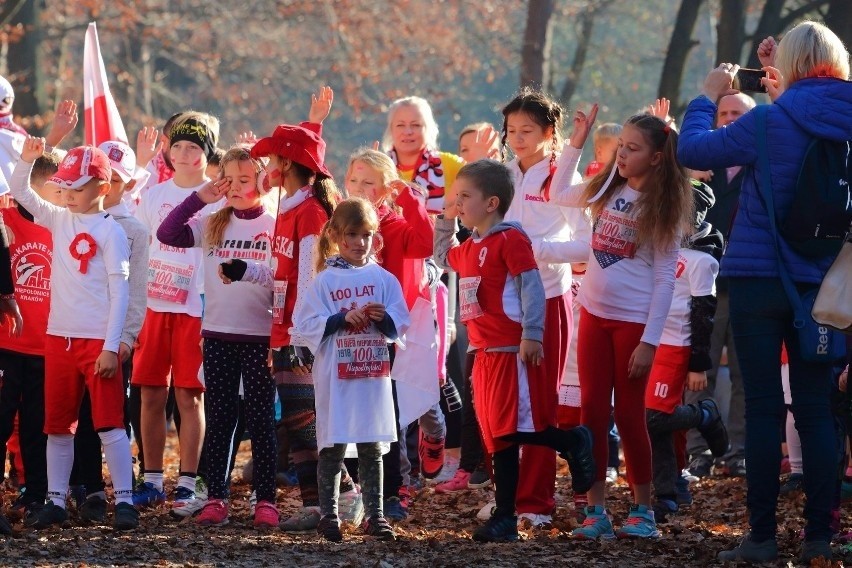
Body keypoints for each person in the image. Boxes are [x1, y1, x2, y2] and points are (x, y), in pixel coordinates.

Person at [677, 22, 852, 564]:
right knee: (818, 410)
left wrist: (707, 97)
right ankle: (821, 537)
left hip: (757, 280)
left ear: (793, 65)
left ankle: (761, 539)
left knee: (763, 409)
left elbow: (694, 150)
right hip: (824, 286)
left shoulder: (770, 121)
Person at [545, 104, 693, 539]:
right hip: (593, 314)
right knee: (591, 411)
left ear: (657, 156)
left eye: (632, 149)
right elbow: (558, 192)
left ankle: (643, 511)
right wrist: (577, 139)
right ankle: (596, 513)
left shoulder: (664, 207)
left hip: (632, 324)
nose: (622, 155)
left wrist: (650, 342)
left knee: (629, 415)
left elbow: (666, 280)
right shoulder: (610, 186)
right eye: (620, 147)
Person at [434, 158, 594, 543]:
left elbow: (531, 286)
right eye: (457, 197)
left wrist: (532, 334)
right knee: (496, 436)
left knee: (517, 427)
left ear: (491, 203)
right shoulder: (471, 246)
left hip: (511, 350)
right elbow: (443, 257)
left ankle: (573, 441)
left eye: (465, 197)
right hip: (484, 354)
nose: (459, 204)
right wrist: (444, 218)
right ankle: (505, 516)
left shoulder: (510, 239)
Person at [222, 112, 359, 532]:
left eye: (273, 161)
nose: (266, 169)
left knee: (304, 421)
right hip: (284, 331)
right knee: (298, 425)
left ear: (289, 164)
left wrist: (299, 334)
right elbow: (280, 273)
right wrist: (244, 270)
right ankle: (316, 504)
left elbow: (311, 278)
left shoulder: (312, 213)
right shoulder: (288, 207)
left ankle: (348, 493)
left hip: (304, 335)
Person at [10, 139, 137, 530]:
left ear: (102, 188)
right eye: (64, 187)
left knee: (110, 424)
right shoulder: (58, 218)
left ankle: (126, 502)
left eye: (77, 188)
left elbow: (121, 293)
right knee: (57, 425)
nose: (67, 195)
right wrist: (27, 160)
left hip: (96, 342)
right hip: (57, 339)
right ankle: (56, 501)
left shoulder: (112, 232)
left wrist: (111, 346)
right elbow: (21, 192)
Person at [158, 146, 278, 528]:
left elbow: (282, 277)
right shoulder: (213, 220)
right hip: (218, 335)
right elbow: (167, 233)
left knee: (261, 419)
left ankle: (266, 500)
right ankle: (217, 498)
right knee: (222, 417)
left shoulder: (275, 223)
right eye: (230, 180)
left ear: (263, 180)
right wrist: (199, 197)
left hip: (260, 336)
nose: (237, 187)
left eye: (246, 180)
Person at [291, 197, 410, 542]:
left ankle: (375, 515)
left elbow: (400, 322)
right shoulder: (325, 282)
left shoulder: (384, 279)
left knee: (373, 446)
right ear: (338, 236)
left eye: (367, 235)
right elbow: (305, 323)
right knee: (333, 443)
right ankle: (329, 515)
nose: (360, 242)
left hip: (372, 377)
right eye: (352, 235)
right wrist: (342, 318)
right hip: (337, 378)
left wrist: (382, 318)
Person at [499, 88, 592, 527]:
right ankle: (507, 499)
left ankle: (536, 502)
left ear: (549, 132)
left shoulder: (560, 178)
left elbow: (586, 244)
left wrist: (534, 250)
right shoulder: (499, 175)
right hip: (500, 303)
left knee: (539, 402)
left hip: (549, 299)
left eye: (527, 130)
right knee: (503, 401)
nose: (517, 138)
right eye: (511, 130)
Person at [132, 111, 221, 517]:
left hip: (195, 308)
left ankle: (187, 481)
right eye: (179, 146)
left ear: (207, 153)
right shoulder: (152, 195)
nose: (185, 154)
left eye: (195, 147)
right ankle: (150, 478)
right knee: (150, 392)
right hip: (153, 306)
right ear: (168, 149)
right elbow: (138, 246)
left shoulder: (216, 198)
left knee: (189, 395)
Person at [68, 140, 150, 524]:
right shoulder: (72, 219)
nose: (110, 182)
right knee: (79, 414)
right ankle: (90, 489)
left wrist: (126, 338)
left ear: (126, 183)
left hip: (112, 340)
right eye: (105, 173)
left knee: (113, 416)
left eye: (117, 178)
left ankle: (123, 492)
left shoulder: (133, 230)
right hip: (75, 333)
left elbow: (136, 291)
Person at [644, 181, 729, 522]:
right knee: (656, 420)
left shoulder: (701, 261)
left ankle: (703, 416)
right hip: (648, 342)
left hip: (676, 347)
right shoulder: (655, 249)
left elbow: (704, 313)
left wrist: (698, 363)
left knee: (655, 417)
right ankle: (672, 487)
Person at [683, 92, 756, 481]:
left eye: (737, 114)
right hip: (703, 288)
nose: (728, 120)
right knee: (699, 369)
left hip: (748, 283)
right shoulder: (696, 165)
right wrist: (689, 182)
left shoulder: (762, 162)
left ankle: (740, 450)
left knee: (746, 373)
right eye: (722, 113)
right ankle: (700, 450)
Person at [0, 151, 57, 532]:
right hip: (7, 344)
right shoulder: (4, 221)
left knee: (39, 426)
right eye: (54, 188)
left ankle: (37, 495)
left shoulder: (64, 225)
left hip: (46, 345)